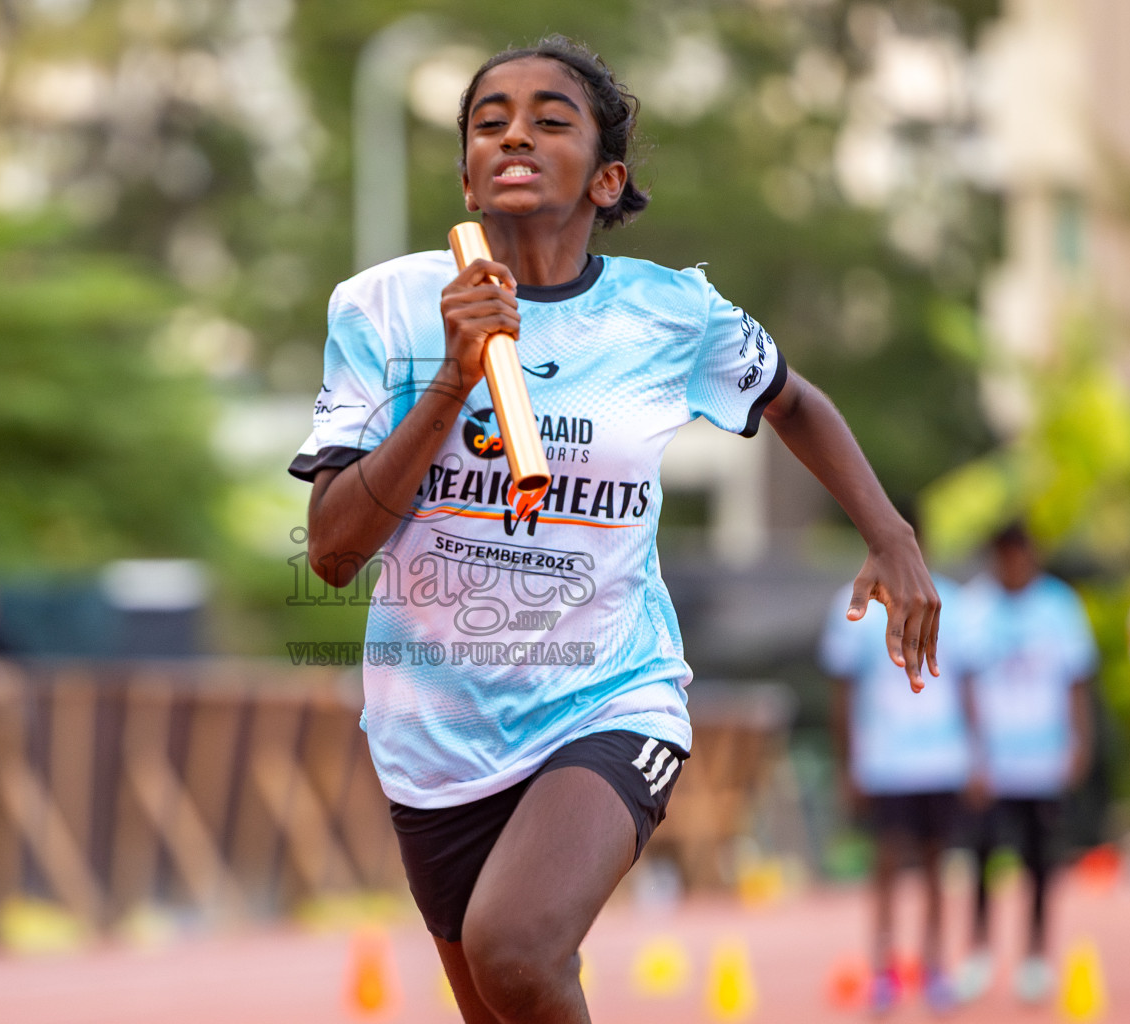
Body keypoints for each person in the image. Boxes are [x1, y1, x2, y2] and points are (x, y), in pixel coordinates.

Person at [289, 37, 941, 1024]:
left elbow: (794, 400)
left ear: (606, 179)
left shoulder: (671, 314)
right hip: (435, 732)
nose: (514, 134)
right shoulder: (382, 309)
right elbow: (334, 554)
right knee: (505, 997)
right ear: (466, 176)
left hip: (608, 698)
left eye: (550, 120)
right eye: (490, 123)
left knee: (516, 951)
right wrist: (454, 378)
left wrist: (891, 535)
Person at [819, 507, 966, 1015]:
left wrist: (976, 753)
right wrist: (848, 764)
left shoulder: (952, 602)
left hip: (943, 756)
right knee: (886, 864)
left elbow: (967, 684)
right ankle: (883, 968)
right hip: (885, 759)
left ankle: (935, 965)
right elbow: (842, 694)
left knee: (936, 864)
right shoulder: (855, 604)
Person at [955, 522, 1096, 1005]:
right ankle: (978, 952)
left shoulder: (1060, 605)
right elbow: (964, 684)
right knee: (982, 857)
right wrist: (972, 754)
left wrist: (1079, 743)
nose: (1014, 566)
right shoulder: (974, 606)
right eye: (1005, 557)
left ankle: (1036, 955)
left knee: (1040, 859)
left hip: (1043, 758)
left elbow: (1076, 681)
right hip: (992, 762)